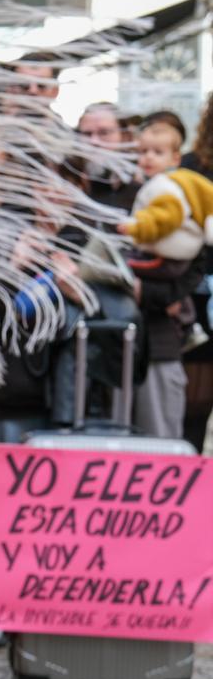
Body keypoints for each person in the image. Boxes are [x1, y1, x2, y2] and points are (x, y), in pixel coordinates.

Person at [118, 112, 210, 437]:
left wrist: (156, 296)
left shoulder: (179, 190)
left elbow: (195, 262)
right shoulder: (126, 191)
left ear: (175, 156)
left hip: (161, 338)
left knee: (160, 431)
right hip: (115, 340)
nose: (148, 158)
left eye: (157, 152)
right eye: (144, 151)